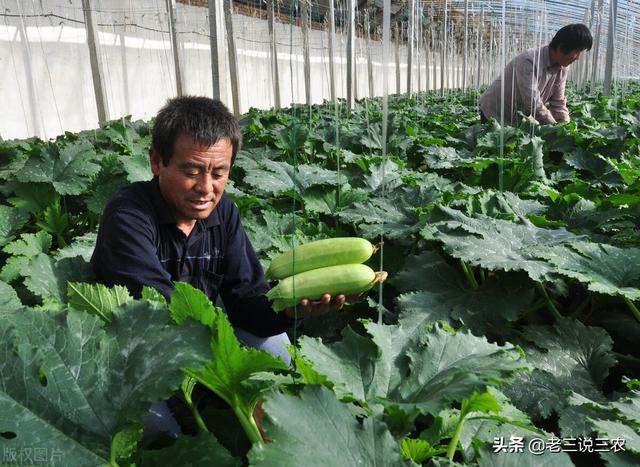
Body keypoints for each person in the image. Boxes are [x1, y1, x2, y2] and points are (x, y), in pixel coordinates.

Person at [91, 96, 348, 439]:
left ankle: (268, 443)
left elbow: (245, 299)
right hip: (128, 353)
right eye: (191, 170)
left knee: (278, 352)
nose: (206, 188)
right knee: (159, 433)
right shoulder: (129, 215)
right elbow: (159, 310)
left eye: (219, 172)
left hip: (197, 339)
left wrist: (288, 311)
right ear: (156, 161)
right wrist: (226, 364)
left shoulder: (223, 213)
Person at [479, 23, 593, 126]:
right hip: (494, 110)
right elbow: (532, 102)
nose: (578, 57)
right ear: (562, 47)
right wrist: (554, 126)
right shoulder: (529, 61)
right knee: (495, 147)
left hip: (515, 115)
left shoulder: (563, 67)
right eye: (577, 51)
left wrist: (565, 126)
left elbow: (558, 102)